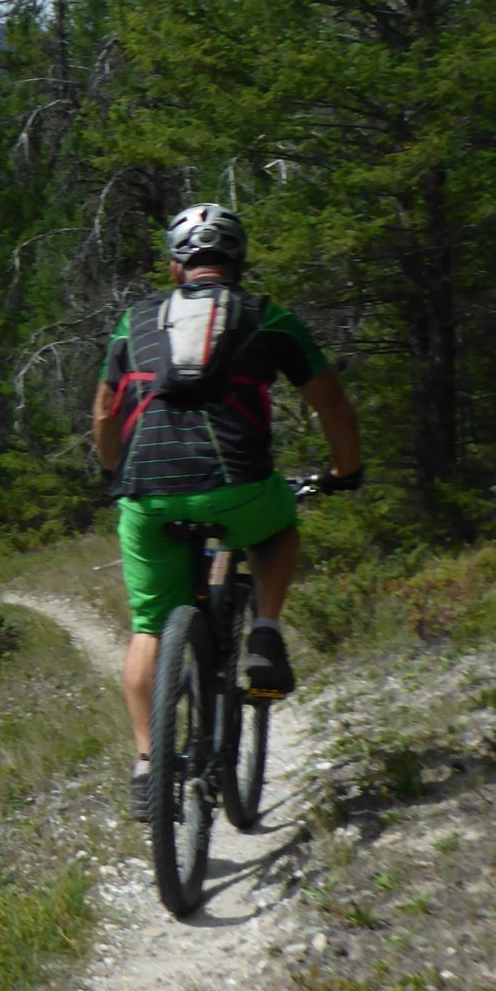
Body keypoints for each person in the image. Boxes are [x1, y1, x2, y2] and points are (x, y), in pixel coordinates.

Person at [90, 204, 362, 819]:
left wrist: (115, 475)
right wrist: (347, 470)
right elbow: (332, 402)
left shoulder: (134, 320)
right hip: (237, 486)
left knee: (148, 627)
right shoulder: (267, 316)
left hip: (147, 493)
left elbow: (105, 414)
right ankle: (263, 631)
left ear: (174, 265)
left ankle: (145, 764)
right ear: (238, 263)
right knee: (279, 525)